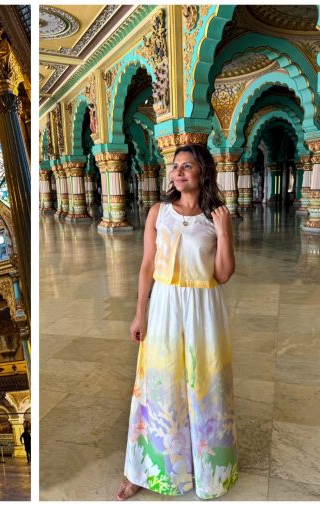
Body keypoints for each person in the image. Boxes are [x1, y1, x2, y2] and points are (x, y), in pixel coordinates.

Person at [117, 144, 237, 501]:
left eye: (187, 166)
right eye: (175, 166)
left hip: (204, 306)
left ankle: (209, 469)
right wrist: (141, 312)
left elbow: (224, 273)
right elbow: (146, 267)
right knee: (160, 384)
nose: (178, 172)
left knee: (205, 383)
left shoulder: (216, 216)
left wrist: (225, 231)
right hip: (166, 303)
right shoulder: (159, 213)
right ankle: (147, 469)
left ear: (202, 172)